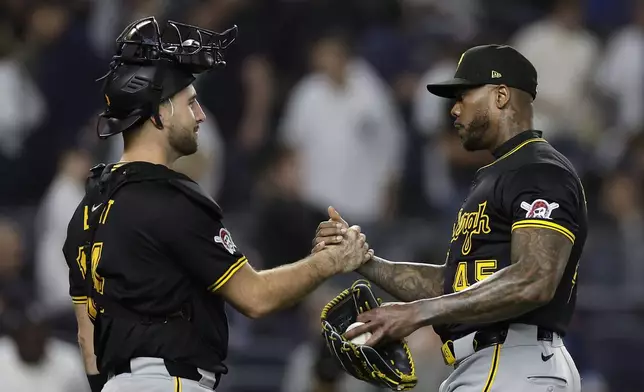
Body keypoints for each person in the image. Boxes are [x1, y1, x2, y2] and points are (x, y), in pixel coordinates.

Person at [62, 17, 371, 392]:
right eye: (190, 104)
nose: (200, 116)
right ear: (159, 113)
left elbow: (86, 339)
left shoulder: (87, 209)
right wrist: (331, 261)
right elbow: (256, 297)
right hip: (170, 381)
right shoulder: (171, 197)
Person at [314, 44, 587, 392]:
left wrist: (416, 314)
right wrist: (364, 261)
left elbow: (534, 278)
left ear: (501, 96)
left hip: (513, 361)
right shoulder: (499, 174)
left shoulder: (539, 171)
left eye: (463, 96)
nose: (454, 110)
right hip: (493, 364)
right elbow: (456, 282)